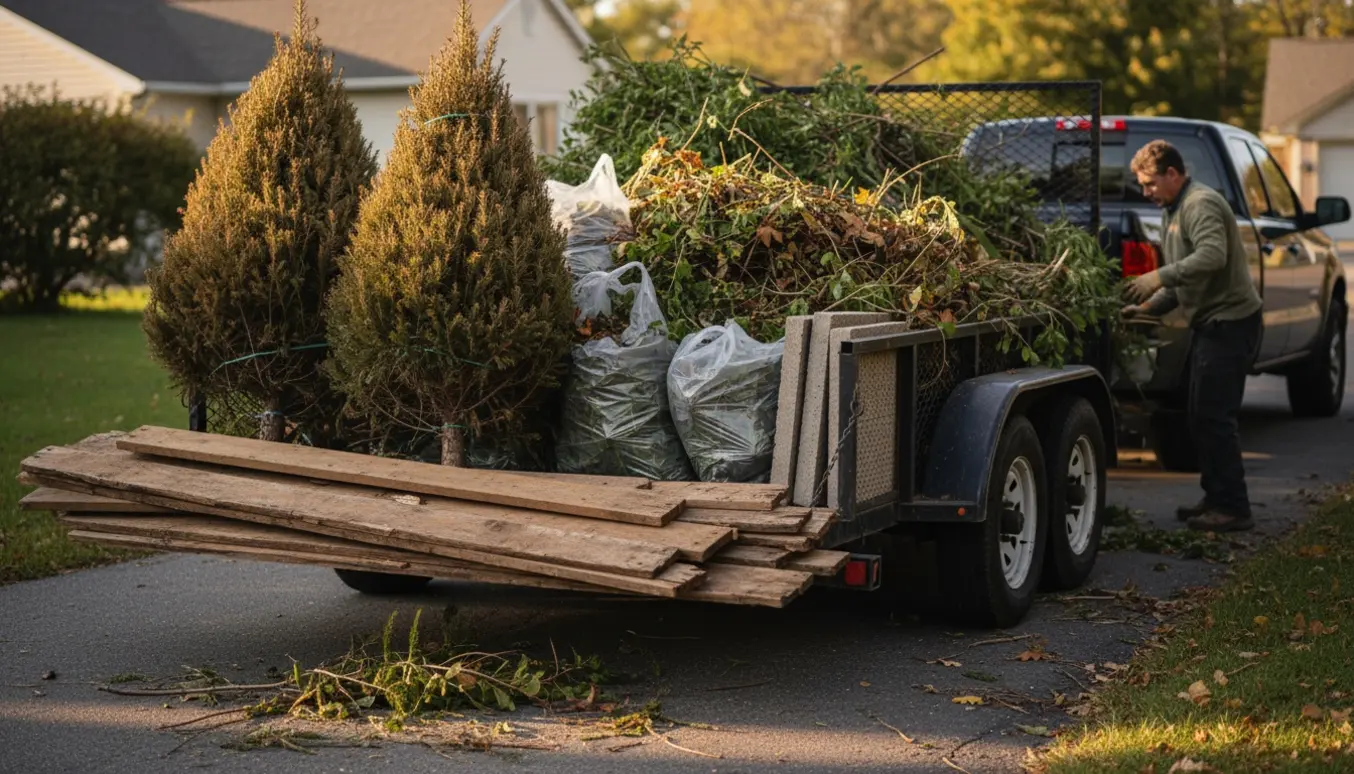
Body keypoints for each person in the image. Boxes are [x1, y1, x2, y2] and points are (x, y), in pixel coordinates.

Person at [1123, 139, 1263, 533]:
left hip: (1231, 323)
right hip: (1211, 324)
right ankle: (1217, 496)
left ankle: (1234, 508)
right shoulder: (1175, 210)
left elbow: (1211, 257)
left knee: (1214, 418)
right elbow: (1186, 279)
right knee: (1200, 415)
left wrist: (1156, 275)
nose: (1146, 192)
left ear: (1173, 173)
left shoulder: (1199, 204)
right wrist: (1147, 309)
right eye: (1143, 186)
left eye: (1150, 184)